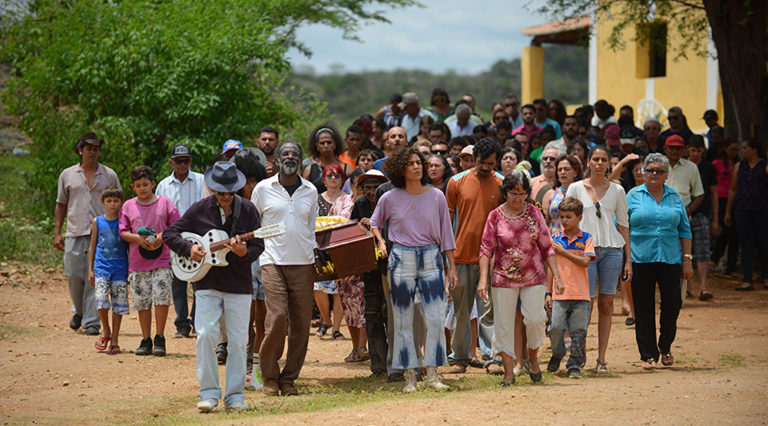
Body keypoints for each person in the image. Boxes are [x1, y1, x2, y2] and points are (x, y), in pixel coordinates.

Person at [164, 161, 264, 412]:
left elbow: (259, 245)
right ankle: (208, 393)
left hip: (239, 284)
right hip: (206, 282)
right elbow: (169, 234)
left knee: (239, 340)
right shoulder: (199, 209)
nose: (227, 197)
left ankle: (234, 396)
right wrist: (190, 248)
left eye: (231, 192)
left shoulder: (249, 210)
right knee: (206, 335)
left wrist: (243, 253)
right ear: (213, 189)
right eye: (221, 193)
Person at [370, 147, 458, 393]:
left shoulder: (437, 196)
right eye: (411, 163)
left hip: (431, 256)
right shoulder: (389, 197)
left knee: (435, 317)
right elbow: (375, 222)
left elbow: (447, 235)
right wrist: (381, 240)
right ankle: (409, 375)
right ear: (401, 169)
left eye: (419, 162)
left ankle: (433, 373)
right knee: (403, 319)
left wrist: (451, 267)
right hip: (401, 256)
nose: (418, 167)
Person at [477, 170, 563, 385]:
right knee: (503, 324)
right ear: (505, 192)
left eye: (522, 194)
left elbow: (547, 247)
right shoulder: (495, 216)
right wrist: (483, 279)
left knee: (535, 319)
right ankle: (508, 371)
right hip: (502, 278)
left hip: (533, 276)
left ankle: (532, 360)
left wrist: (558, 276)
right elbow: (486, 249)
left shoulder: (534, 213)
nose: (517, 199)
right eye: (513, 193)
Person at [251, 141, 318, 397]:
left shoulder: (311, 190)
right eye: (285, 154)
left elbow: (310, 227)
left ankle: (289, 378)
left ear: (301, 161)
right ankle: (269, 376)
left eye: (295, 154)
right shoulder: (263, 188)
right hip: (272, 261)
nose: (290, 157)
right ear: (277, 159)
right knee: (277, 317)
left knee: (301, 323)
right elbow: (255, 223)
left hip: (303, 262)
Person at [566, 145, 632, 374]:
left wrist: (628, 260)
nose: (599, 163)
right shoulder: (575, 188)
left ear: (609, 164)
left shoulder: (618, 190)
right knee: (585, 304)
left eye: (604, 159)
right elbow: (566, 222)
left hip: (612, 250)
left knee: (607, 304)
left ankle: (601, 358)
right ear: (588, 162)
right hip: (585, 252)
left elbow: (623, 224)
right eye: (595, 159)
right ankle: (578, 354)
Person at [626, 153, 693, 370]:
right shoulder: (632, 195)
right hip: (640, 258)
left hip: (671, 258)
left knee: (673, 303)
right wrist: (625, 259)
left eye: (659, 171)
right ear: (643, 173)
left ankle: (666, 346)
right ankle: (648, 355)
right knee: (643, 307)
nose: (654, 174)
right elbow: (622, 227)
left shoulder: (675, 198)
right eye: (650, 170)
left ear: (666, 174)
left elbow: (684, 229)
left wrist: (687, 260)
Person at [445, 139, 503, 374]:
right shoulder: (456, 182)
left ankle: (491, 358)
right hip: (460, 257)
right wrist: (447, 260)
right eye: (482, 162)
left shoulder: (501, 183)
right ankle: (460, 357)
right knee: (461, 310)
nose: (486, 167)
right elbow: (447, 224)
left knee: (488, 310)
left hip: (491, 258)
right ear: (474, 159)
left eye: (491, 163)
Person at [55, 132, 121, 335]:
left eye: (96, 148)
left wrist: (121, 229)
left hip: (103, 233)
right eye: (89, 148)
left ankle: (92, 322)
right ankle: (80, 311)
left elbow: (120, 202)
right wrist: (57, 232)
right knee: (74, 275)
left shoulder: (109, 174)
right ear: (80, 150)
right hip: (75, 231)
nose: (93, 152)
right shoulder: (67, 174)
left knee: (96, 276)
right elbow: (61, 204)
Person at [119, 166, 180, 356]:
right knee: (142, 301)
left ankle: (159, 337)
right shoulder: (128, 206)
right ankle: (145, 339)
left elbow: (176, 225)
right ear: (133, 187)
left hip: (162, 260)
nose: (143, 188)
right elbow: (122, 231)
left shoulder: (165, 203)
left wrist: (162, 236)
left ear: (153, 184)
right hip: (138, 262)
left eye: (146, 184)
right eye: (138, 186)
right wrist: (137, 238)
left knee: (162, 298)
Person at [155, 143, 205, 338]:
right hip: (175, 240)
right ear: (171, 162)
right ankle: (182, 323)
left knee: (199, 281)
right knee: (178, 282)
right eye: (178, 161)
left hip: (198, 238)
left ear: (190, 161)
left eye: (185, 160)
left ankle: (197, 320)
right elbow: (160, 213)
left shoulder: (202, 181)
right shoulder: (163, 185)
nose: (182, 164)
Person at [546, 197, 595, 379]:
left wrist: (563, 252)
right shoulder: (556, 240)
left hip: (581, 294)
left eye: (568, 217)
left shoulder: (587, 239)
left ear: (579, 218)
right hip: (560, 294)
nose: (564, 221)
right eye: (562, 217)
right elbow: (552, 268)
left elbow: (585, 262)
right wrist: (548, 292)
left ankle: (574, 364)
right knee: (555, 327)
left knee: (578, 331)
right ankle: (558, 352)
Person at [329, 170, 370, 363]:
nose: (362, 189)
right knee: (349, 305)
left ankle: (363, 347)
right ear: (352, 185)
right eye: (358, 185)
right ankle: (355, 348)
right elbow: (329, 224)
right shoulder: (340, 202)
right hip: (344, 261)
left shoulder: (371, 203)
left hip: (367, 260)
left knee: (365, 306)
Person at [88, 186, 129, 355]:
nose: (112, 204)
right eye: (109, 201)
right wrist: (90, 269)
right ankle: (106, 330)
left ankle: (115, 338)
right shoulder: (97, 221)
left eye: (116, 201)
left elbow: (128, 247)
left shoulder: (124, 222)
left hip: (120, 267)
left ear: (121, 202)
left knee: (118, 304)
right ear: (103, 202)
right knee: (101, 299)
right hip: (101, 267)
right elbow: (92, 246)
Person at [724, 138, 768, 291]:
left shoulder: (764, 165)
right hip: (743, 208)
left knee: (763, 243)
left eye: (745, 148)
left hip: (762, 209)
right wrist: (728, 211)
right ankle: (747, 278)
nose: (742, 151)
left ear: (755, 150)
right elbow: (733, 189)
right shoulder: (739, 166)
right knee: (746, 244)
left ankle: (765, 276)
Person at [313, 164, 345, 340]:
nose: (333, 178)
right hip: (320, 247)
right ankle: (325, 320)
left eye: (337, 175)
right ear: (324, 179)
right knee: (319, 287)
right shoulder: (316, 199)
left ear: (342, 179)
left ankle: (337, 328)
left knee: (339, 289)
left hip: (342, 247)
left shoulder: (348, 199)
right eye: (329, 175)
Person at [687, 136, 718, 300]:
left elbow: (713, 194)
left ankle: (704, 286)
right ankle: (688, 286)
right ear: (688, 149)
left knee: (703, 251)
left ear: (703, 151)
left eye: (699, 151)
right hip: (683, 214)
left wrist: (715, 218)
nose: (696, 154)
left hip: (701, 214)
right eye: (693, 150)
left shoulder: (708, 168)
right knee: (685, 252)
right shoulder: (682, 167)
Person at [711, 140, 740, 275]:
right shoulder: (716, 164)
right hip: (721, 199)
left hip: (736, 200)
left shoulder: (738, 164)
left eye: (737, 149)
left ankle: (730, 266)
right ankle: (715, 259)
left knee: (735, 234)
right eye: (732, 149)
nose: (735, 152)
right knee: (726, 231)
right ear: (725, 148)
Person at [664, 135, 704, 218]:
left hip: (682, 217)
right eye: (671, 148)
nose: (674, 151)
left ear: (684, 150)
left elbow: (699, 195)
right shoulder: (657, 165)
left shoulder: (691, 167)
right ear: (665, 149)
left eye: (678, 148)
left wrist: (688, 210)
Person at [303, 126, 352, 193]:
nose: (326, 146)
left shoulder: (347, 169)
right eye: (322, 143)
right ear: (317, 146)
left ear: (334, 144)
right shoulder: (309, 170)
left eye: (329, 142)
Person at [542, 155, 582, 237]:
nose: (562, 172)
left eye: (567, 169)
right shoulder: (550, 193)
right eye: (559, 170)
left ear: (576, 172)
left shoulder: (582, 192)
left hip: (577, 239)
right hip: (554, 238)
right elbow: (544, 221)